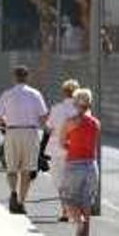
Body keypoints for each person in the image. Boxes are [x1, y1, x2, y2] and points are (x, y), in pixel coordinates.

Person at [0, 66, 48, 214]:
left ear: (14, 77)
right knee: (27, 169)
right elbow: (43, 117)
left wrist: (3, 127)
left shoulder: (7, 94)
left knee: (12, 168)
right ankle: (21, 201)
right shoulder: (35, 94)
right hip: (30, 132)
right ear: (27, 77)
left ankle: (13, 192)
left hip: (12, 131)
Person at [59, 88, 100, 236]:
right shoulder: (96, 123)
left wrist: (71, 146)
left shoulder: (70, 122)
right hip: (91, 165)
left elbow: (62, 143)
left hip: (74, 164)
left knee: (68, 199)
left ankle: (79, 222)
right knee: (86, 202)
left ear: (76, 103)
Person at [45, 79, 80, 222]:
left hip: (57, 149)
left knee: (60, 180)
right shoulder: (80, 111)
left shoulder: (56, 108)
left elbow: (48, 127)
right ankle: (73, 209)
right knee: (74, 181)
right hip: (75, 149)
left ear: (63, 93)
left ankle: (65, 210)